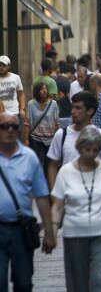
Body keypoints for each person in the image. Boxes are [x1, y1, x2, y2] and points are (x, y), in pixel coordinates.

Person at [50, 126, 101, 292]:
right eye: (87, 149)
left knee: (98, 280)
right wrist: (52, 231)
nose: (91, 154)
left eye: (95, 150)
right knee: (78, 284)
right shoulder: (66, 172)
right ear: (79, 148)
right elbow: (58, 206)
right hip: (75, 233)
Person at [0, 112, 56, 291]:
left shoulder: (29, 157)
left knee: (23, 282)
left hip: (21, 229)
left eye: (14, 127)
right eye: (4, 126)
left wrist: (49, 231)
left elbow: (41, 195)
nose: (10, 130)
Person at [46, 91, 101, 190]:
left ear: (90, 111)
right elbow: (52, 166)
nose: (73, 111)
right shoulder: (61, 135)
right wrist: (54, 193)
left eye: (78, 108)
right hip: (67, 197)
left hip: (94, 196)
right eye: (73, 107)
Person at [25, 81, 59, 174]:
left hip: (50, 137)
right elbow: (27, 122)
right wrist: (26, 139)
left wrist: (58, 137)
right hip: (36, 136)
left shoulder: (53, 104)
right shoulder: (31, 104)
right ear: (37, 91)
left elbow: (56, 122)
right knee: (35, 161)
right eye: (41, 89)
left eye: (46, 89)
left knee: (48, 163)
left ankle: (46, 182)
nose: (44, 91)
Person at [0, 55, 26, 123]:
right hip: (1, 113)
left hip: (14, 112)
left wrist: (22, 109)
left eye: (4, 65)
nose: (1, 67)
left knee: (16, 132)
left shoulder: (15, 77)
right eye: (0, 65)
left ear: (9, 66)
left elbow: (21, 94)